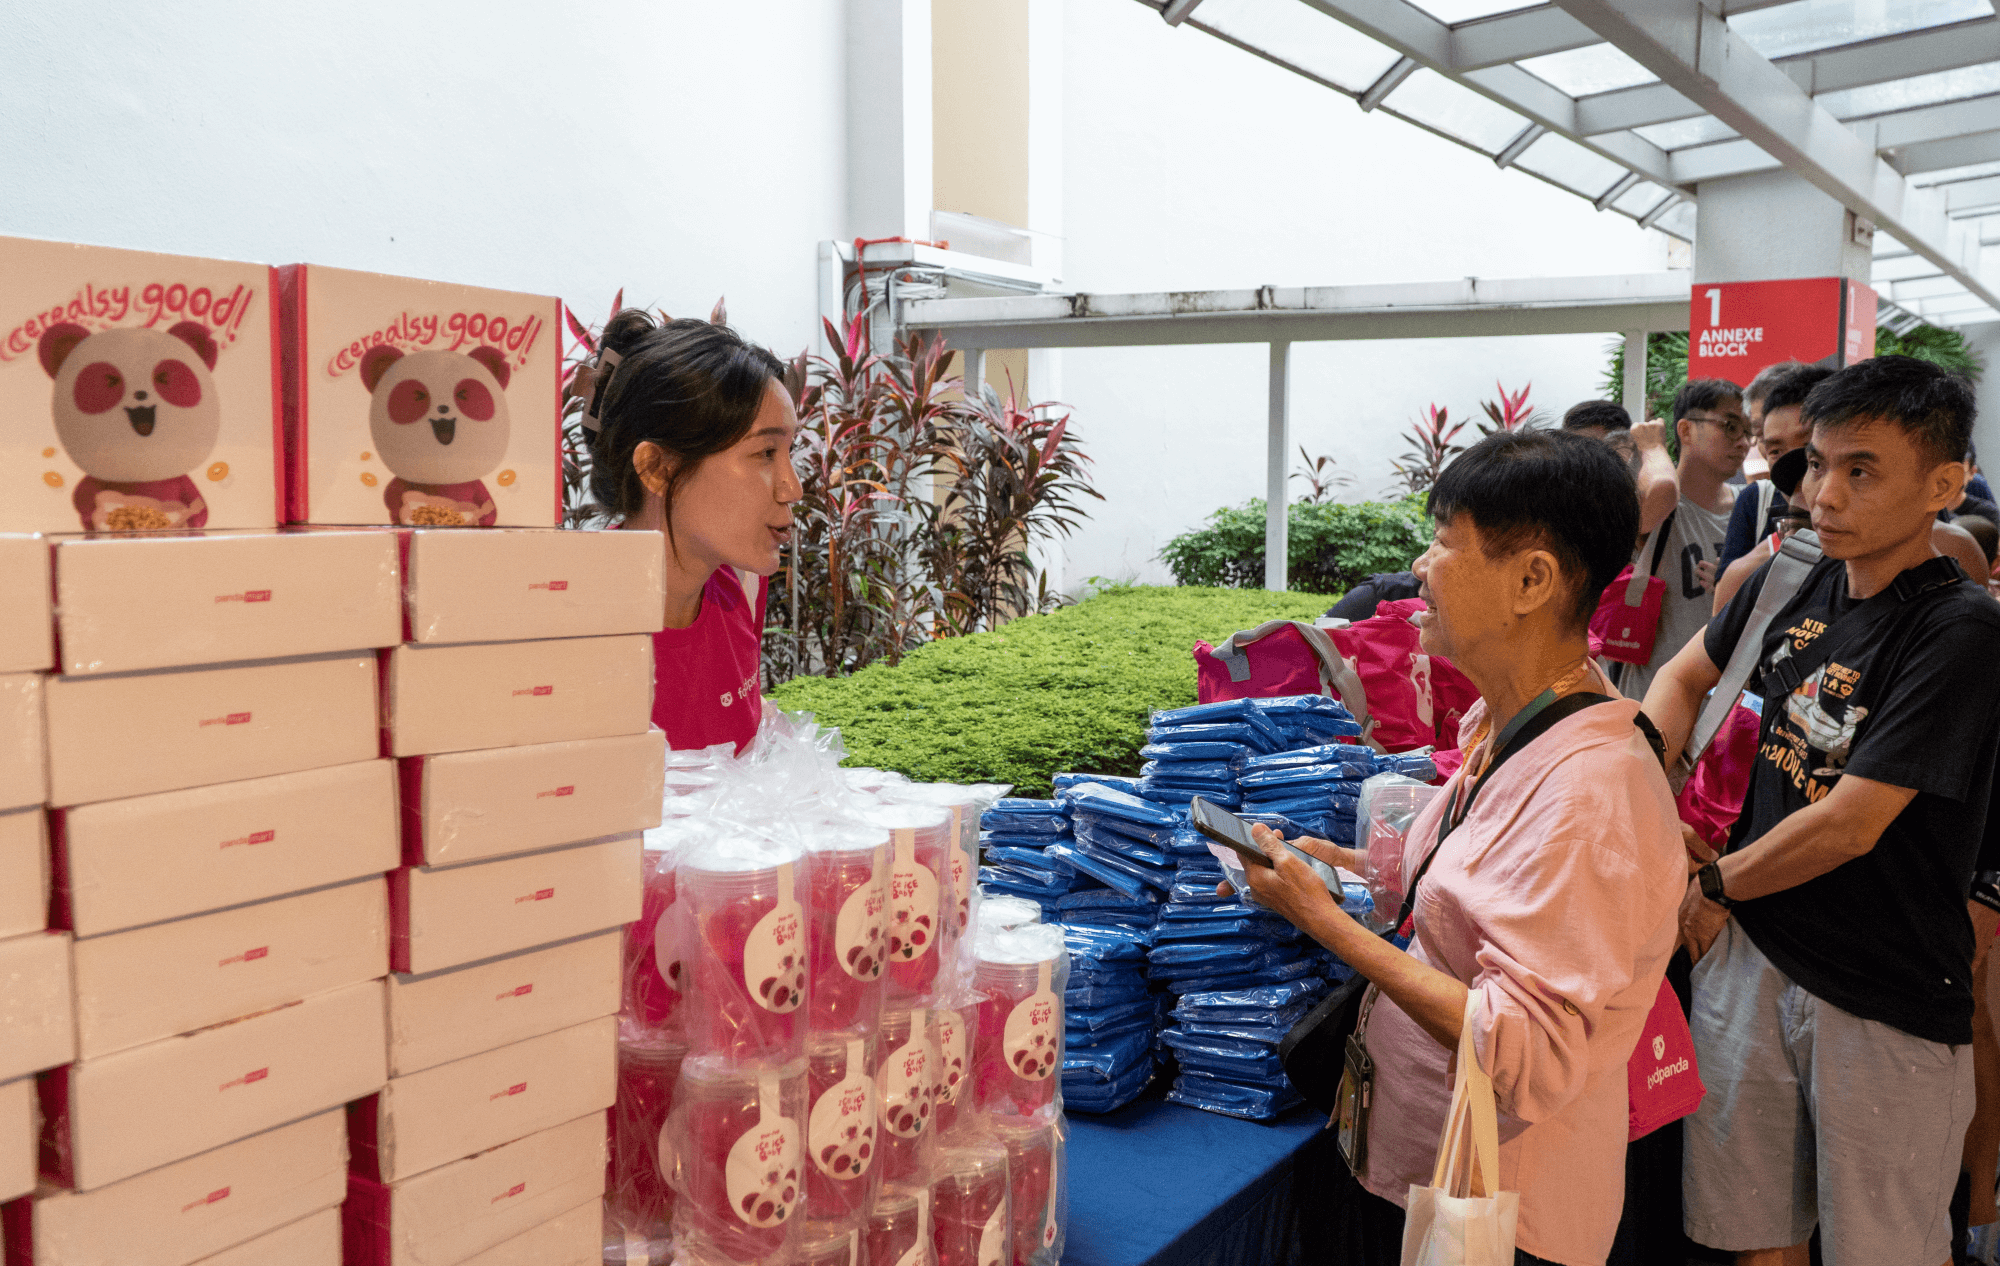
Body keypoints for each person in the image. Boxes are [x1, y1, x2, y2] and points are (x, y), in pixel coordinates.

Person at [1237, 430, 1685, 1266]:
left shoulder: (1592, 794)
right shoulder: (1508, 725)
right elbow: (1464, 889)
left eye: (1444, 539)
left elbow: (1526, 1057)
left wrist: (1325, 923)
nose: (1419, 565)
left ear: (1531, 580)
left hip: (1498, 1215)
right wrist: (1335, 867)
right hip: (1411, 1167)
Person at [1642, 355, 2000, 1266]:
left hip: (1878, 991)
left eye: (1860, 469)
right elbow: (1686, 674)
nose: (1822, 492)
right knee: (1754, 1233)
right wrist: (1642, 790)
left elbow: (1852, 821)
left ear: (1944, 485)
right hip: (1751, 960)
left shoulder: (1959, 628)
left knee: (1882, 1248)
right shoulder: (1794, 576)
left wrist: (1711, 884)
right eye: (1815, 464)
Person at [583, 309, 802, 753]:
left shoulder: (742, 585)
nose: (792, 487)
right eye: (764, 453)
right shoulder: (571, 624)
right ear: (659, 468)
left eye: (789, 451)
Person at [1609, 379, 1750, 700]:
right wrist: (1651, 446)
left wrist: (1735, 586)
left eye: (1747, 431)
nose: (1742, 442)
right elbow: (1663, 488)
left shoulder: (1750, 507)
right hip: (1651, 703)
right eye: (1729, 426)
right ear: (1685, 430)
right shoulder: (1661, 505)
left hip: (1725, 714)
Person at [1717, 365, 1832, 575]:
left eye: (1807, 445)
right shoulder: (1756, 499)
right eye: (1760, 433)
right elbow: (1726, 594)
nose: (1791, 462)